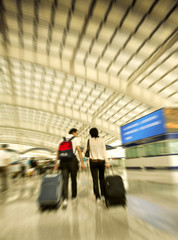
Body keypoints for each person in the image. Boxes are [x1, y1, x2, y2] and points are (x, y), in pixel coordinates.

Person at [55, 128, 85, 208]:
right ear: (73, 132)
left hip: (63, 161)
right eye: (77, 133)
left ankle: (65, 200)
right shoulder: (75, 139)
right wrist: (82, 162)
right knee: (73, 180)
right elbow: (78, 150)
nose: (77, 134)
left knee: (65, 180)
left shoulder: (62, 138)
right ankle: (74, 197)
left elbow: (58, 151)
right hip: (72, 161)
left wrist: (56, 163)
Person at [83, 128, 110, 204]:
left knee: (95, 180)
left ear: (90, 133)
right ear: (97, 133)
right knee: (102, 179)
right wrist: (107, 162)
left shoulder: (88, 141)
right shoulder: (101, 140)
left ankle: (97, 197)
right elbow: (104, 151)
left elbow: (84, 151)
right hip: (101, 162)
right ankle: (103, 196)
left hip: (93, 162)